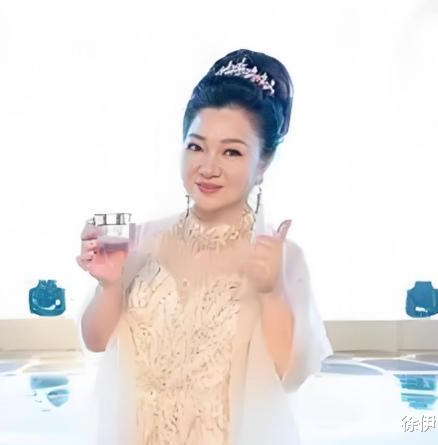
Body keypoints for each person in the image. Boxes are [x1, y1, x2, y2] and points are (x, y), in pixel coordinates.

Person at [76, 48, 333, 445]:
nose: (208, 167)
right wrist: (109, 285)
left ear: (263, 162)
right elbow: (95, 341)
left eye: (231, 151)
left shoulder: (279, 256)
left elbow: (289, 376)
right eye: (196, 146)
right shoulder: (143, 239)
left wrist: (273, 292)